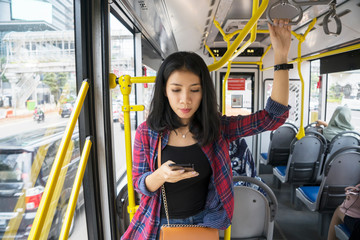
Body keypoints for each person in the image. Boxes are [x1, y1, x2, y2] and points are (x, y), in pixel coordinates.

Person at [121, 18, 292, 240]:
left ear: (204, 93)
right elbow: (139, 184)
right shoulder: (147, 132)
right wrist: (160, 175)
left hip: (204, 222)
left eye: (194, 90)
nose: (185, 100)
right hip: (157, 223)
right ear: (164, 91)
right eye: (176, 90)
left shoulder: (217, 128)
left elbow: (272, 118)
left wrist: (281, 57)